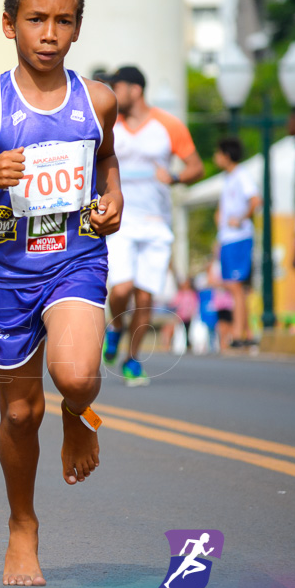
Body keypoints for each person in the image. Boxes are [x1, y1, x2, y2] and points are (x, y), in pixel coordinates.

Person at [0, 0, 123, 585]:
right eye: (36, 20)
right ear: (10, 25)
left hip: (75, 257)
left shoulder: (98, 100)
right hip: (9, 274)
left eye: (62, 21)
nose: (49, 33)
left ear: (76, 29)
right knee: (19, 415)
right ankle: (23, 524)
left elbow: (107, 162)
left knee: (76, 376)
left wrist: (111, 201)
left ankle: (77, 412)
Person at [102, 65, 204, 385]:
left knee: (145, 296)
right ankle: (116, 328)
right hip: (121, 220)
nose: (113, 93)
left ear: (135, 90)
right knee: (121, 288)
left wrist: (174, 177)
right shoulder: (110, 124)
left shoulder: (167, 125)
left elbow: (196, 167)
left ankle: (132, 361)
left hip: (157, 223)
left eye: (117, 87)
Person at [213, 136, 260, 348]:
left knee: (235, 286)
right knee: (235, 286)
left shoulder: (242, 175)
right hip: (228, 238)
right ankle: (245, 332)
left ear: (227, 155)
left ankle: (239, 333)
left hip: (239, 237)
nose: (216, 158)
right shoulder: (228, 178)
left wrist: (240, 219)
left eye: (218, 153)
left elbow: (256, 200)